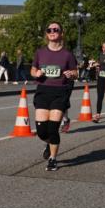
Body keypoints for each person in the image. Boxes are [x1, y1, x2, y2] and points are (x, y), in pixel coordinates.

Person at [31, 23, 78, 171]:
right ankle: (49, 143)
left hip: (60, 92)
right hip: (43, 91)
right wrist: (36, 73)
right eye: (49, 30)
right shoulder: (40, 52)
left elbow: (75, 72)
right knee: (41, 132)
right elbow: (33, 69)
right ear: (46, 34)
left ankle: (52, 159)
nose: (52, 32)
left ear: (61, 33)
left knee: (52, 129)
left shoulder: (67, 55)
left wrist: (72, 74)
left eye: (55, 30)